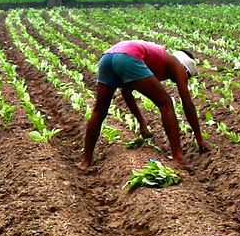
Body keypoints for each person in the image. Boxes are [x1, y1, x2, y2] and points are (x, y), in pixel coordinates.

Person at [81, 40, 207, 170]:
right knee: (166, 103)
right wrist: (199, 138)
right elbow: (187, 103)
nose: (184, 79)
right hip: (127, 57)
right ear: (186, 69)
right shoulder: (177, 65)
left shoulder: (156, 61)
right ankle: (178, 157)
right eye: (187, 76)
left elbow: (126, 91)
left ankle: (86, 162)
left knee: (99, 111)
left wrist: (142, 122)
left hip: (107, 57)